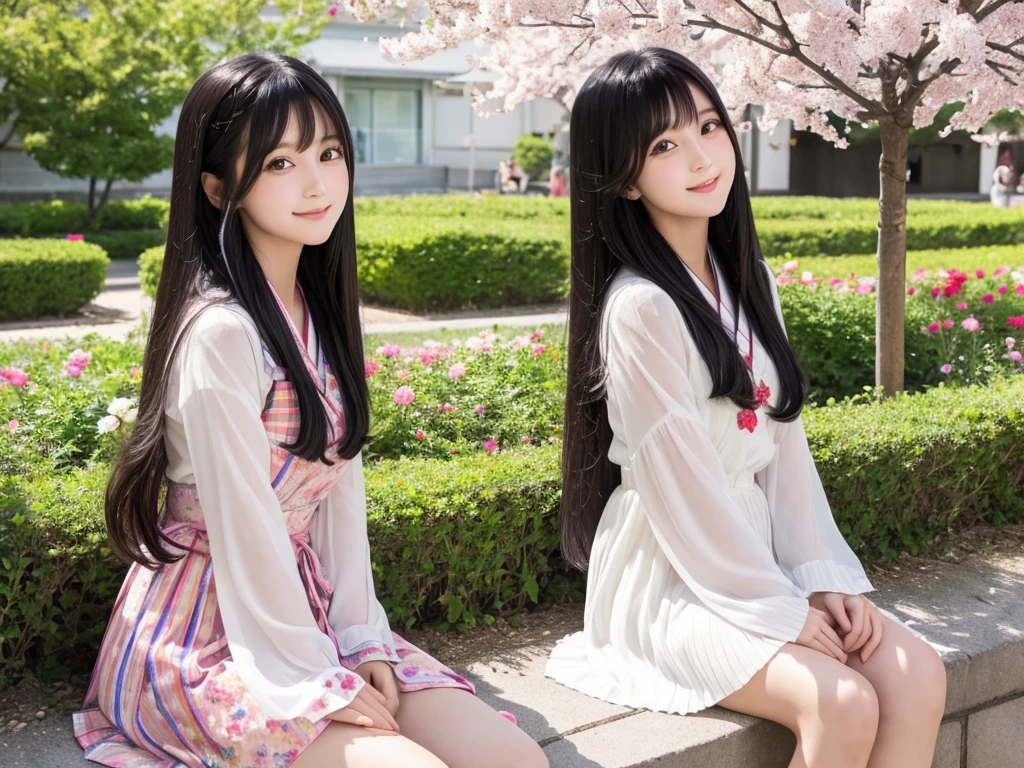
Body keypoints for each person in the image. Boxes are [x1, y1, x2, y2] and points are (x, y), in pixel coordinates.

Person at [72, 52, 547, 768]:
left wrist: (361, 640)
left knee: (517, 759)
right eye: (280, 163)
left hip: (309, 611)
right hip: (205, 632)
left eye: (328, 152)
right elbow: (246, 529)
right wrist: (311, 681)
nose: (318, 181)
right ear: (216, 185)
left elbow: (338, 503)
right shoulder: (220, 333)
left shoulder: (319, 318)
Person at [546, 47, 946, 768]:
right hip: (672, 578)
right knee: (842, 700)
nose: (702, 157)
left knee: (918, 676)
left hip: (757, 560)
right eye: (664, 145)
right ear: (624, 180)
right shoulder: (640, 307)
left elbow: (785, 454)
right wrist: (782, 611)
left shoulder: (749, 278)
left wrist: (820, 576)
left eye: (708, 127)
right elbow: (682, 495)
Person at [991, 143, 1017, 207]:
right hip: (1000, 192)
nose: (1008, 160)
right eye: (1005, 158)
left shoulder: (1012, 169)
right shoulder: (999, 170)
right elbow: (997, 181)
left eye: (1009, 158)